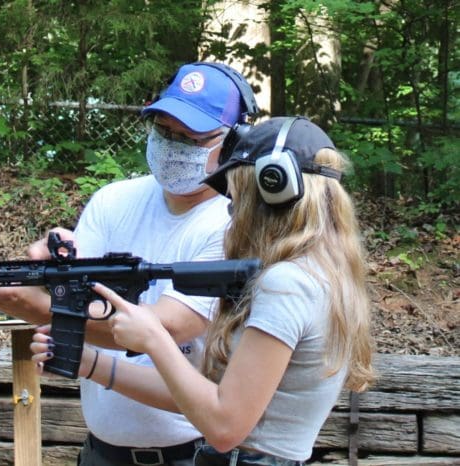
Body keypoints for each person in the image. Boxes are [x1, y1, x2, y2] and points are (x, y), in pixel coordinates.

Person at [0, 62, 259, 465]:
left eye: (189, 138)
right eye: (164, 131)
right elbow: (76, 290)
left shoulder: (233, 224)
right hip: (101, 453)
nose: (172, 145)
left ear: (233, 143)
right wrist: (46, 265)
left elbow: (160, 327)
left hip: (193, 455)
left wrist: (32, 305)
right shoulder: (114, 200)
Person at [31, 117, 375, 465]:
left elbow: (224, 427)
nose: (231, 209)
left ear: (274, 189)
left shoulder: (286, 285)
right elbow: (205, 398)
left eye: (237, 195)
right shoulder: (318, 275)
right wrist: (89, 362)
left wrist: (155, 339)